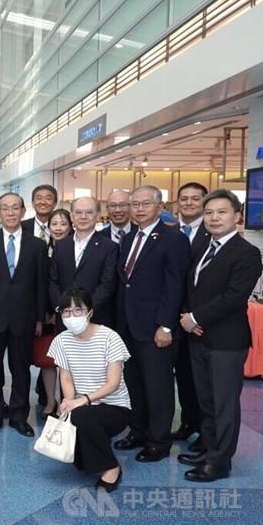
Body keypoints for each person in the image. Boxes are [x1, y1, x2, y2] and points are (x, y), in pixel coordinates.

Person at [178, 189, 262, 482]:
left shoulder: (247, 253)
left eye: (222, 212)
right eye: (209, 212)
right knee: (207, 401)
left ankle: (220, 462)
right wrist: (188, 317)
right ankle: (209, 448)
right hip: (198, 336)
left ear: (237, 216)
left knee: (224, 403)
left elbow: (233, 297)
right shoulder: (203, 247)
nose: (214, 218)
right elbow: (192, 288)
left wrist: (195, 318)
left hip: (227, 341)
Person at [114, 185, 191, 463]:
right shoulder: (129, 237)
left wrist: (166, 325)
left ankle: (158, 441)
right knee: (133, 383)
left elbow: (175, 285)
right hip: (128, 326)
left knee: (158, 387)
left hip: (156, 327)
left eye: (146, 204)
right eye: (135, 204)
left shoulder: (173, 238)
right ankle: (138, 431)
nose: (139, 209)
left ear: (160, 206)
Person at [0, 192, 47, 437]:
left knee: (21, 369)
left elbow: (40, 285)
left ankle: (19, 416)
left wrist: (39, 317)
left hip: (24, 318)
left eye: (15, 208)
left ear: (23, 211)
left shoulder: (37, 245)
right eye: (5, 208)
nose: (10, 212)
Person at [48, 288, 131, 492]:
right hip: (82, 405)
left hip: (114, 406)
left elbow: (113, 383)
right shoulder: (61, 340)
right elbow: (65, 376)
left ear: (90, 312)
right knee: (79, 418)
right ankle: (92, 450)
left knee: (83, 416)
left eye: (78, 310)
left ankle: (111, 468)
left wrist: (81, 400)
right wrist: (69, 401)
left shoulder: (110, 337)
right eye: (66, 311)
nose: (71, 316)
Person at [171, 182, 210, 445]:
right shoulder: (170, 233)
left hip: (200, 322)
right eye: (184, 199)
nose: (188, 203)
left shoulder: (213, 235)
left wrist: (194, 316)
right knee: (183, 376)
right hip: (175, 320)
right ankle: (188, 422)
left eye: (195, 199)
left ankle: (206, 432)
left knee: (203, 383)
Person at [49, 197, 118, 329]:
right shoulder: (61, 246)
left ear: (98, 215)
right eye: (79, 212)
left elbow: (107, 284)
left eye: (89, 212)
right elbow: (53, 280)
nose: (83, 217)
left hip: (95, 319)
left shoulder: (109, 247)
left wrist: (83, 310)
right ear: (72, 216)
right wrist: (63, 307)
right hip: (65, 319)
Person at [33, 208, 73, 417]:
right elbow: (40, 283)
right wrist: (46, 311)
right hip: (49, 313)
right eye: (54, 224)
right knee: (48, 361)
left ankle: (68, 402)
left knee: (70, 361)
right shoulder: (42, 249)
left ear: (70, 226)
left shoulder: (77, 248)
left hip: (73, 313)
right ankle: (50, 401)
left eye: (63, 224)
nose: (58, 228)